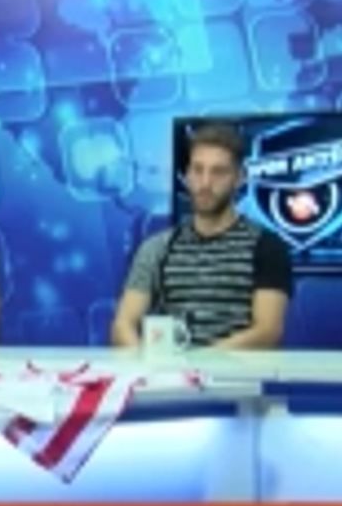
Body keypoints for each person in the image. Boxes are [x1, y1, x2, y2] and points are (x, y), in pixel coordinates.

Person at [111, 121, 293, 350]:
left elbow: (268, 332)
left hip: (234, 373)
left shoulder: (267, 247)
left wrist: (200, 364)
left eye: (218, 172)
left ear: (240, 178)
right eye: (198, 170)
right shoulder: (157, 248)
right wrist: (143, 362)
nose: (205, 183)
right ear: (186, 175)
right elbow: (123, 324)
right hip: (170, 371)